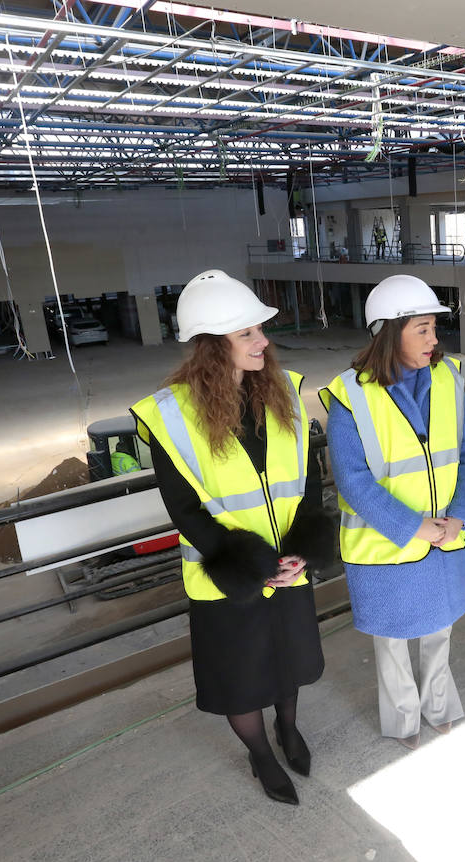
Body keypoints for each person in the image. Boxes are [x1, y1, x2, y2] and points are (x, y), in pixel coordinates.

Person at [131, 269, 331, 805]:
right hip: (229, 575)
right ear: (211, 346)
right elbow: (184, 509)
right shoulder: (170, 416)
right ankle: (262, 755)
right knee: (243, 678)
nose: (263, 341)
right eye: (247, 334)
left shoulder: (283, 392)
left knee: (286, 662)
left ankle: (288, 731)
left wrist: (297, 552)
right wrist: (253, 563)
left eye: (260, 330)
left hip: (288, 566)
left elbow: (307, 477)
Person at [322, 275, 465, 750]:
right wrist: (414, 526)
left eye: (435, 329)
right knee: (392, 641)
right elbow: (353, 481)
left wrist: (460, 514)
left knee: (440, 630)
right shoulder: (349, 397)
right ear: (390, 333)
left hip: (445, 535)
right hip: (386, 545)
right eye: (424, 329)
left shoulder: (448, 379)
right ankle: (403, 719)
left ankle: (438, 706)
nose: (435, 340)